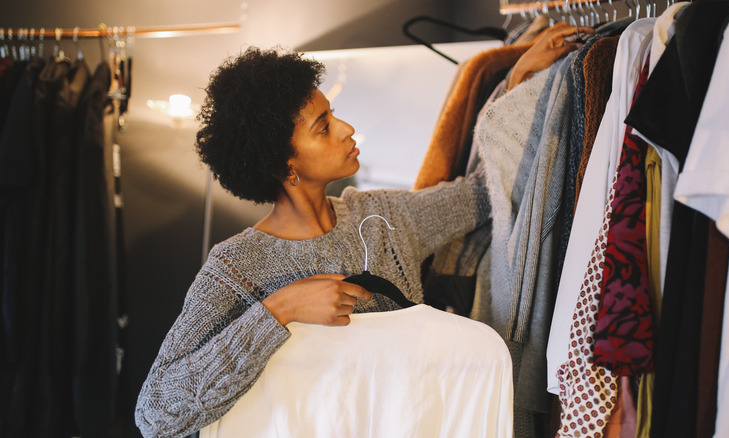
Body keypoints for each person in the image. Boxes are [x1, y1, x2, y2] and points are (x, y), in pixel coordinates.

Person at [135, 23, 587, 438]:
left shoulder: (383, 218)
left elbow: (484, 193)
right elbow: (156, 414)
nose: (347, 129)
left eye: (335, 114)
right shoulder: (236, 268)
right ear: (282, 163)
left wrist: (518, 83)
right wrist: (278, 309)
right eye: (323, 127)